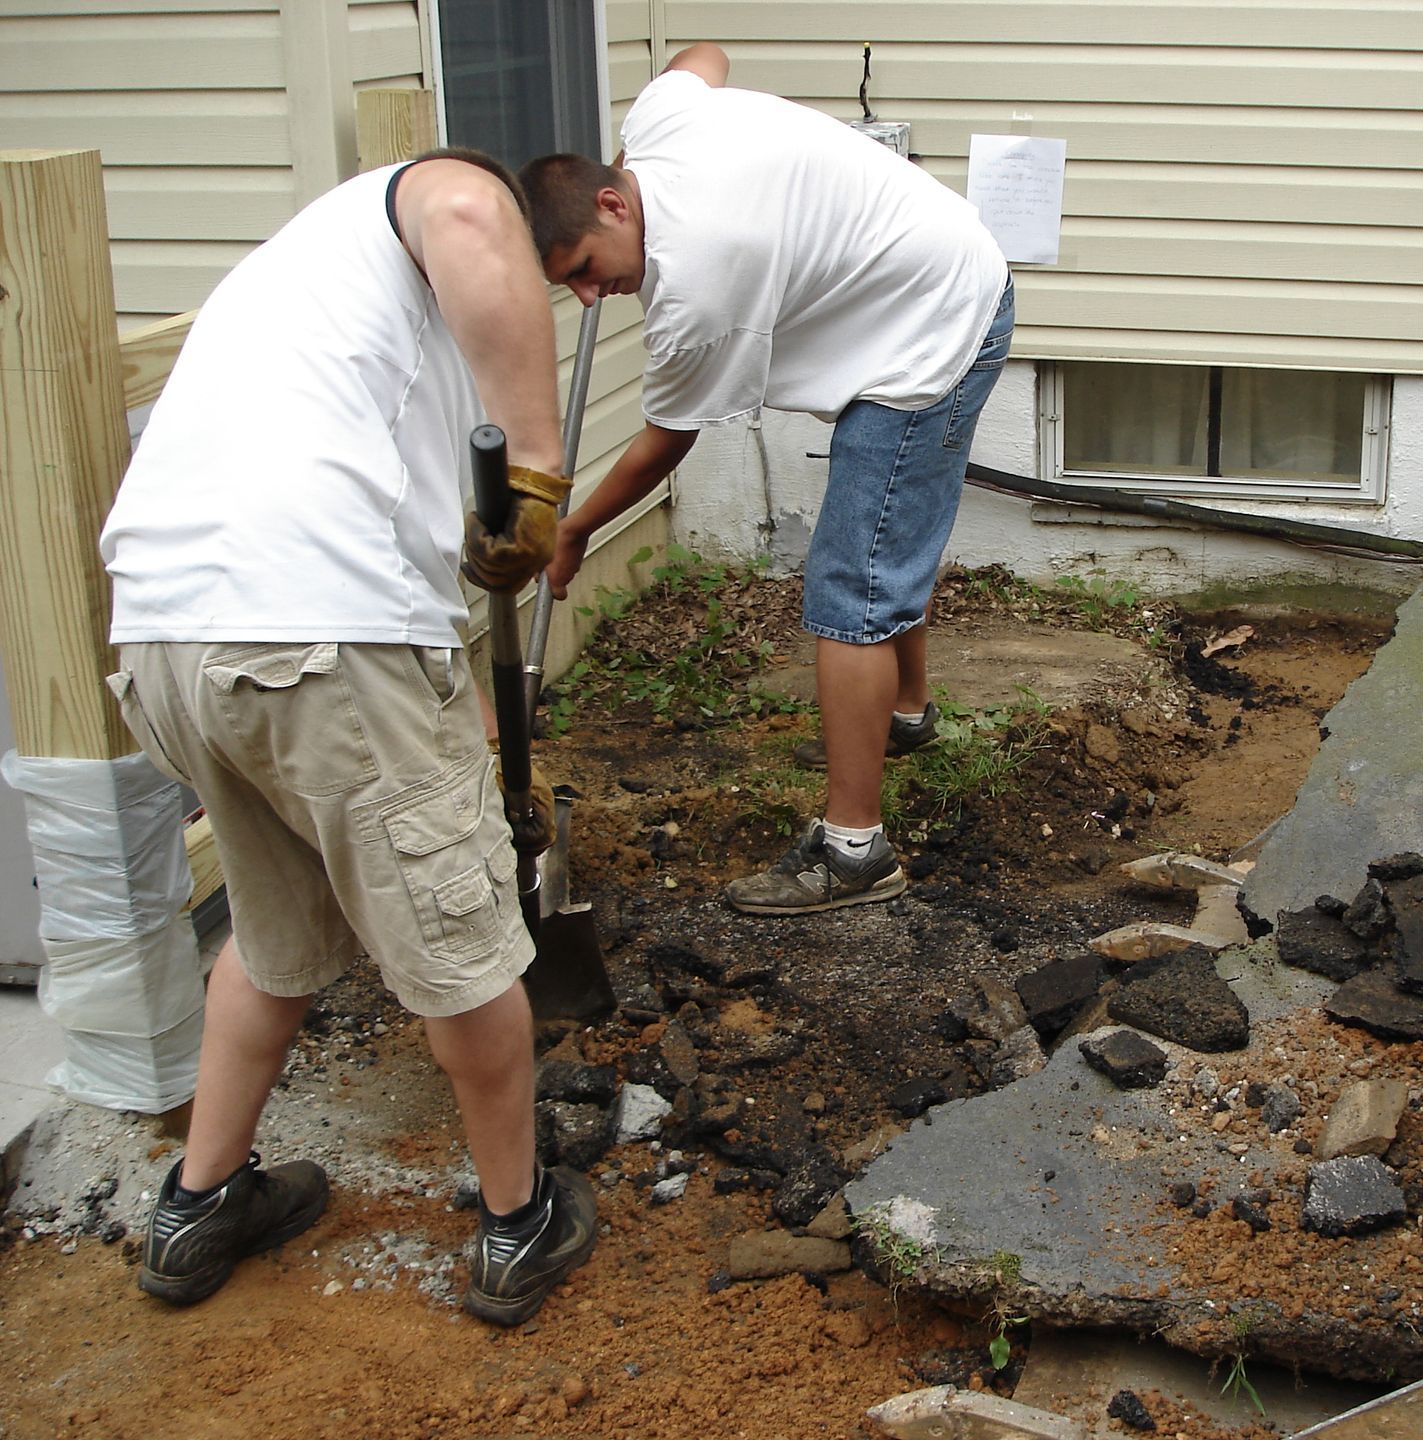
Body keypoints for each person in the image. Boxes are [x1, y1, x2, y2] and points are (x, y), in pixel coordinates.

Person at [98, 150, 597, 1326]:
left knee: (272, 938)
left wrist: (459, 713)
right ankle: (517, 1225)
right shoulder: (440, 199)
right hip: (316, 635)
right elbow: (474, 203)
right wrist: (537, 467)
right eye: (559, 274)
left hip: (171, 640)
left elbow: (387, 543)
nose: (569, 302)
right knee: (464, 955)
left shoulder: (312, 282)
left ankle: (197, 1202)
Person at [518, 42, 1013, 916]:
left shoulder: (699, 279)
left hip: (932, 328)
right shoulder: (662, 120)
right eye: (571, 290)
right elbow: (700, 55)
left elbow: (663, 444)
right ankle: (905, 713)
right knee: (881, 540)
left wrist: (574, 527)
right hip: (937, 268)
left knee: (850, 585)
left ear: (611, 202)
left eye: (587, 271)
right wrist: (641, 149)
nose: (593, 299)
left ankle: (855, 851)